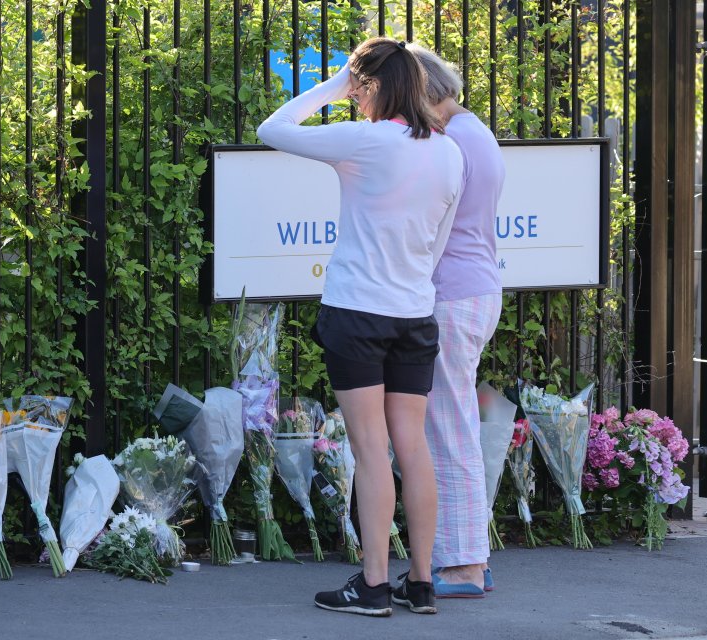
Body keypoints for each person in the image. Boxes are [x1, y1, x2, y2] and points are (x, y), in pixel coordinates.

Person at [257, 37, 464, 617]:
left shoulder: (367, 139)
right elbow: (438, 246)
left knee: (371, 448)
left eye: (358, 91)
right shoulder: (449, 152)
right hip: (413, 314)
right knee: (412, 447)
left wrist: (336, 84)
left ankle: (373, 585)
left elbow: (273, 128)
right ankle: (421, 582)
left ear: (369, 87)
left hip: (358, 311)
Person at [407, 44, 505, 597]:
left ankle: (463, 563)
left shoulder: (451, 141)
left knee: (447, 429)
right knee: (455, 422)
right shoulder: (477, 133)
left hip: (450, 295)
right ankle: (470, 555)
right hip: (476, 290)